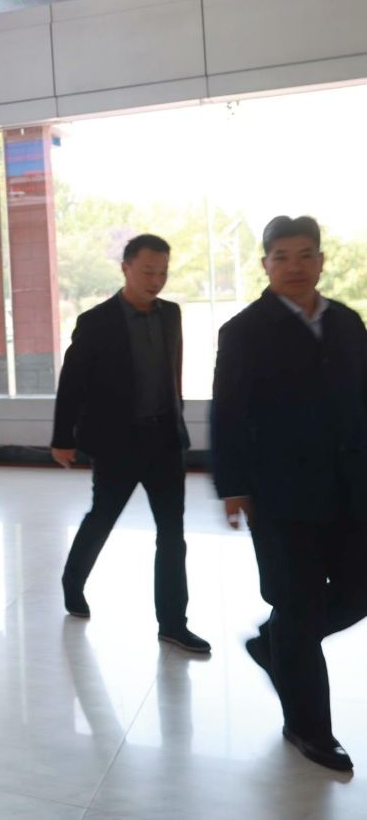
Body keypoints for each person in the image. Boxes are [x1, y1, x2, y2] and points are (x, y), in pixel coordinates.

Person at [211, 215, 367, 772]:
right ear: (266, 264)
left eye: (305, 255)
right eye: (282, 257)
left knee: (356, 593)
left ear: (321, 261)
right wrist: (233, 486)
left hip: (351, 490)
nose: (294, 267)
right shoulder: (244, 331)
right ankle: (309, 728)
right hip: (280, 495)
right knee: (297, 605)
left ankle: (272, 644)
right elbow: (228, 412)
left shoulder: (347, 321)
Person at [51, 234, 210, 654]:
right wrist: (62, 438)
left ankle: (173, 623)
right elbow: (72, 382)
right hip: (117, 444)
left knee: (172, 535)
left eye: (163, 273)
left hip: (165, 441)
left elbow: (171, 374)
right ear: (125, 269)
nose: (156, 280)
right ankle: (72, 580)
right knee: (102, 517)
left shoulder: (171, 314)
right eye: (148, 271)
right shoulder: (96, 321)